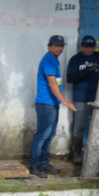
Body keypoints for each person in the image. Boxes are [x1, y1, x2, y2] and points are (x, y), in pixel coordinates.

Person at [31, 34, 76, 178]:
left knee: (49, 135)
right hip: (46, 104)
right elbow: (52, 83)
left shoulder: (54, 60)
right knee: (42, 136)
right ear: (49, 46)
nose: (59, 48)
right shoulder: (49, 61)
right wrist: (65, 101)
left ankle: (44, 162)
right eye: (56, 45)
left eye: (61, 45)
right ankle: (35, 165)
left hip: (52, 104)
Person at [66, 35, 99, 164]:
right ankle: (77, 154)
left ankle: (97, 153)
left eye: (92, 47)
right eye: (87, 47)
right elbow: (69, 79)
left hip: (98, 98)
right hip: (81, 98)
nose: (89, 49)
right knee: (79, 126)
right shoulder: (75, 60)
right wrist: (83, 73)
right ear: (82, 46)